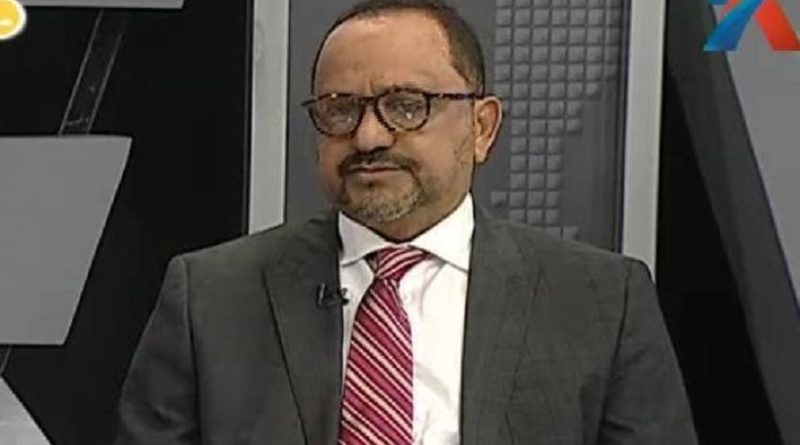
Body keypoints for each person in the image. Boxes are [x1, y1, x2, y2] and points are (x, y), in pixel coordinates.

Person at [114, 0, 697, 443]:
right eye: (340, 110)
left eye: (406, 106)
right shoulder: (210, 297)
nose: (369, 136)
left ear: (482, 127)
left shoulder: (602, 301)